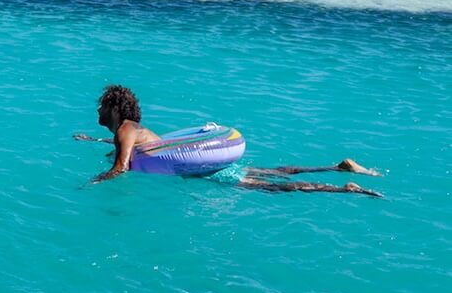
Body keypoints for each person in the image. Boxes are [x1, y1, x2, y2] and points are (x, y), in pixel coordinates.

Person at [76, 84, 381, 196]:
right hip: (201, 163)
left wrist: (95, 182)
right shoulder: (129, 130)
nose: (98, 110)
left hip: (200, 170)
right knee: (274, 172)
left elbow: (122, 166)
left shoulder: (124, 130)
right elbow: (136, 150)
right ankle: (337, 167)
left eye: (102, 105)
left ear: (113, 107)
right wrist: (93, 140)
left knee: (271, 187)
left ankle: (343, 189)